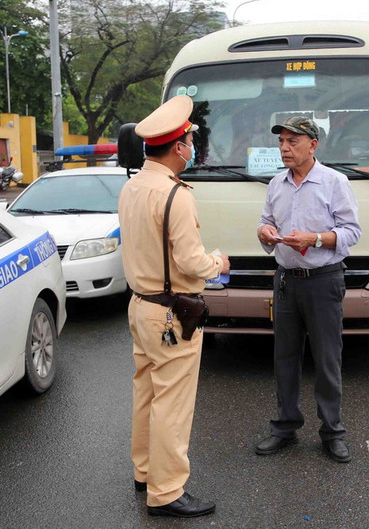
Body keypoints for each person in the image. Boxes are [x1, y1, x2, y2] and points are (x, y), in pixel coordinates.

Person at [117, 95, 229, 519]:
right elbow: (191, 263)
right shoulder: (175, 195)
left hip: (140, 306)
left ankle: (145, 472)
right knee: (172, 404)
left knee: (146, 392)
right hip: (171, 311)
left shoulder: (132, 187)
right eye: (189, 141)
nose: (192, 148)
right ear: (179, 146)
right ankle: (165, 492)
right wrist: (219, 262)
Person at [255, 116, 361, 464]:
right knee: (284, 358)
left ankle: (332, 431)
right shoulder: (276, 184)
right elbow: (267, 221)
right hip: (286, 280)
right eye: (282, 142)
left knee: (327, 359)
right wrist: (265, 233)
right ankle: (284, 428)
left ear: (312, 145)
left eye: (293, 141)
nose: (285, 148)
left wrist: (314, 238)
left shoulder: (334, 182)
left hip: (323, 281)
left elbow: (351, 233)